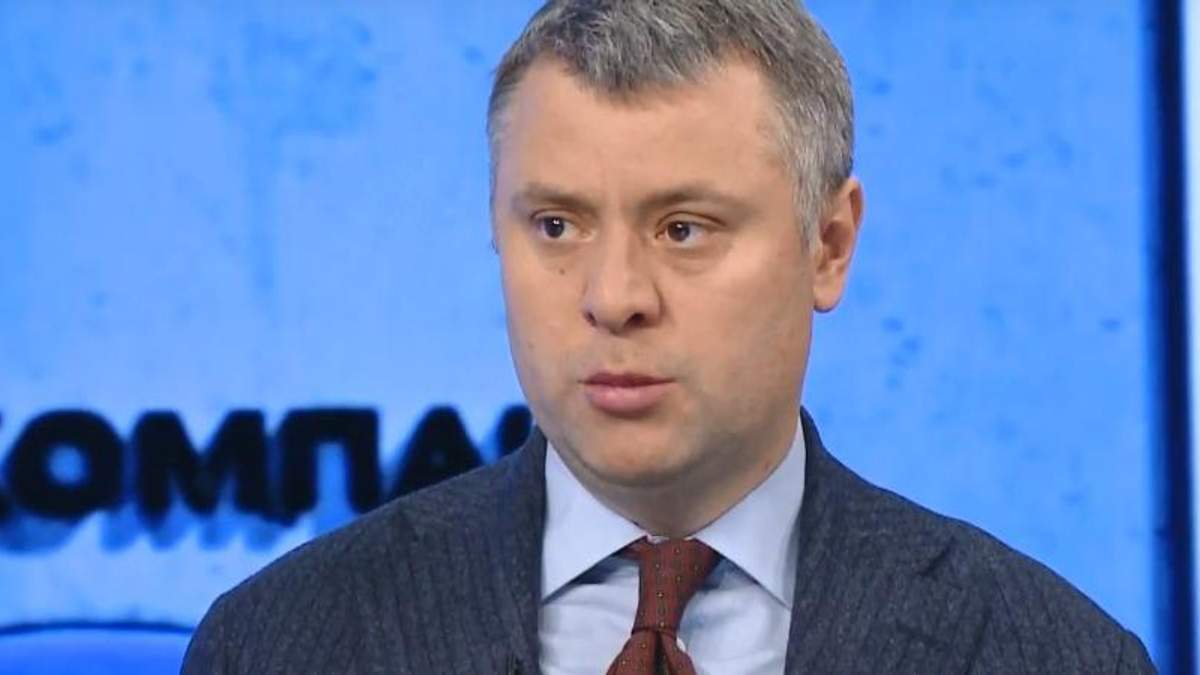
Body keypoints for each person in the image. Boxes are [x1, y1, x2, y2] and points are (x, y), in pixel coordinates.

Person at [182, 1, 1157, 673]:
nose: (614, 297)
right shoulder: (280, 644)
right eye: (556, 225)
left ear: (829, 244)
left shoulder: (1047, 653)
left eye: (683, 229)